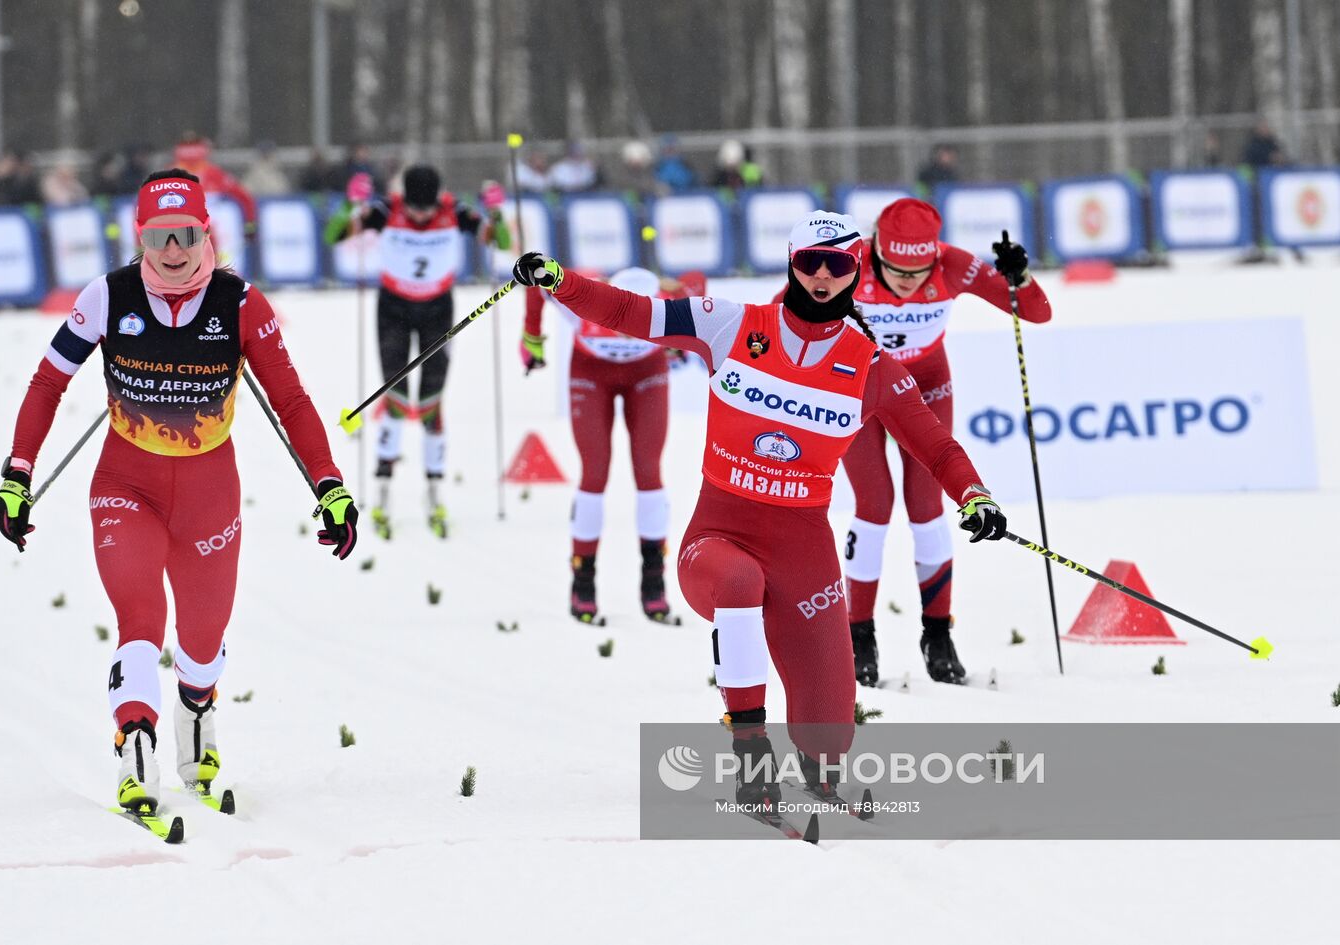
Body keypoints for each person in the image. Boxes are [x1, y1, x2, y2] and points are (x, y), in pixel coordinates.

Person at [510, 211, 1007, 808]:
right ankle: (751, 758)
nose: (823, 277)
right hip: (718, 538)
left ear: (855, 271)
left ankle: (822, 776)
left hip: (804, 549)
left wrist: (974, 496)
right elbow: (629, 314)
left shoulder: (870, 367)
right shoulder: (730, 324)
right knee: (739, 581)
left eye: (838, 265)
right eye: (810, 263)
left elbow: (936, 446)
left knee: (829, 731)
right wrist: (559, 281)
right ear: (791, 263)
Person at [0, 170, 359, 818]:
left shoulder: (241, 304)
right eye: (159, 236)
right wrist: (17, 475)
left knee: (201, 637)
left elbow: (293, 401)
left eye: (185, 233)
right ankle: (135, 740)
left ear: (206, 233)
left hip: (208, 493)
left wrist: (329, 486)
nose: (173, 249)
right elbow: (48, 382)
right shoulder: (107, 297)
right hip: (125, 486)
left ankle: (196, 711)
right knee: (139, 614)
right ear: (141, 238)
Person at [838, 197, 1050, 685]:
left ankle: (937, 634)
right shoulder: (847, 261)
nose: (908, 282)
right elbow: (776, 313)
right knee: (873, 505)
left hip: (925, 387)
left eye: (919, 270)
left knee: (926, 506)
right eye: (896, 270)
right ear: (875, 252)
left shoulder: (953, 264)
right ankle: (859, 637)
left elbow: (1036, 312)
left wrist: (1020, 277)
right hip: (859, 390)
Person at [520, 267, 707, 624]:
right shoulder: (583, 301)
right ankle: (583, 582)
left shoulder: (668, 300)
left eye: (640, 313)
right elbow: (538, 283)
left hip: (646, 373)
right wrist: (531, 336)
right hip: (591, 373)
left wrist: (683, 342)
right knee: (594, 473)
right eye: (620, 311)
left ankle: (654, 583)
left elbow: (698, 286)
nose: (628, 322)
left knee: (649, 472)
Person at [332, 164, 485, 539]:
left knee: (432, 400)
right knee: (396, 397)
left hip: (438, 309)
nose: (418, 216)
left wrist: (496, 215)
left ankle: (434, 491)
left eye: (425, 210)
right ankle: (383, 490)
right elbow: (335, 235)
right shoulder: (387, 210)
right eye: (414, 209)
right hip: (394, 310)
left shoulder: (456, 210)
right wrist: (350, 207)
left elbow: (501, 241)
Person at [173, 134, 258, 250]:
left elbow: (244, 197)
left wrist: (250, 225)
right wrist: (250, 225)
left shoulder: (214, 174)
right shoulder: (214, 173)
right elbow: (244, 197)